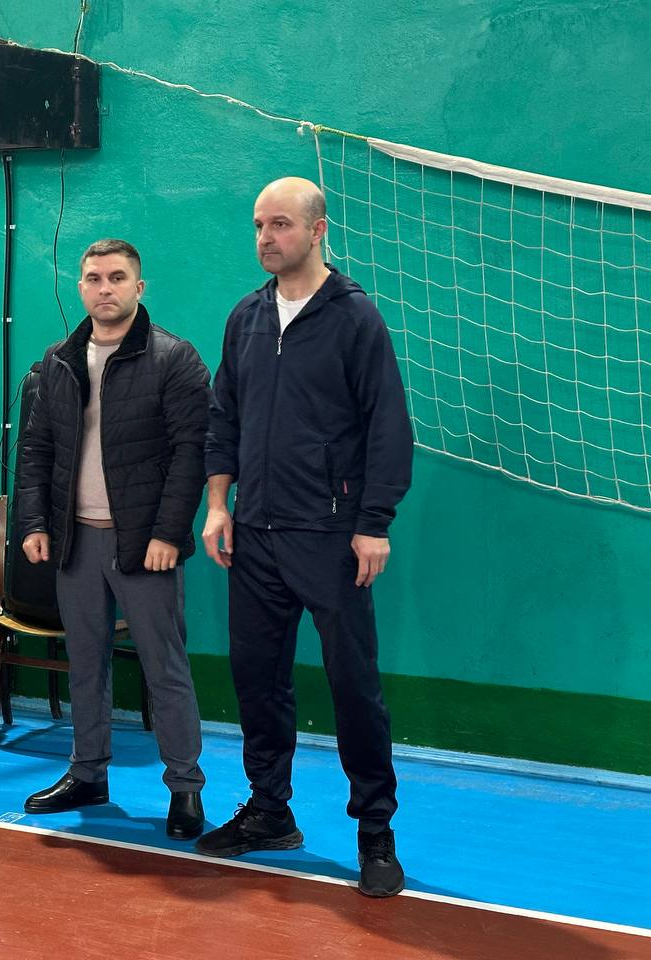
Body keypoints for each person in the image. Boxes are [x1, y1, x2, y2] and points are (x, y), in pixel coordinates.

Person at [196, 177, 413, 897]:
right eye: (259, 224)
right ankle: (269, 811)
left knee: (354, 687)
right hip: (254, 535)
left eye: (281, 224)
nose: (266, 237)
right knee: (257, 680)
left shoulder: (355, 318)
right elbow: (224, 418)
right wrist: (219, 506)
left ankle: (375, 832)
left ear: (318, 230)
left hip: (331, 535)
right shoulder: (246, 317)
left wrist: (373, 523)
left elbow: (387, 427)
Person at [16, 238, 211, 841]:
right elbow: (36, 449)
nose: (105, 288)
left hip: (145, 546)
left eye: (118, 277)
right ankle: (88, 773)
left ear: (138, 287)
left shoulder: (174, 358)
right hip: (76, 543)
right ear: (81, 287)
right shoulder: (57, 361)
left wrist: (168, 534)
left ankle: (185, 788)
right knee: (85, 665)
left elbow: (192, 454)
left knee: (165, 668)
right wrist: (34, 523)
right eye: (94, 278)